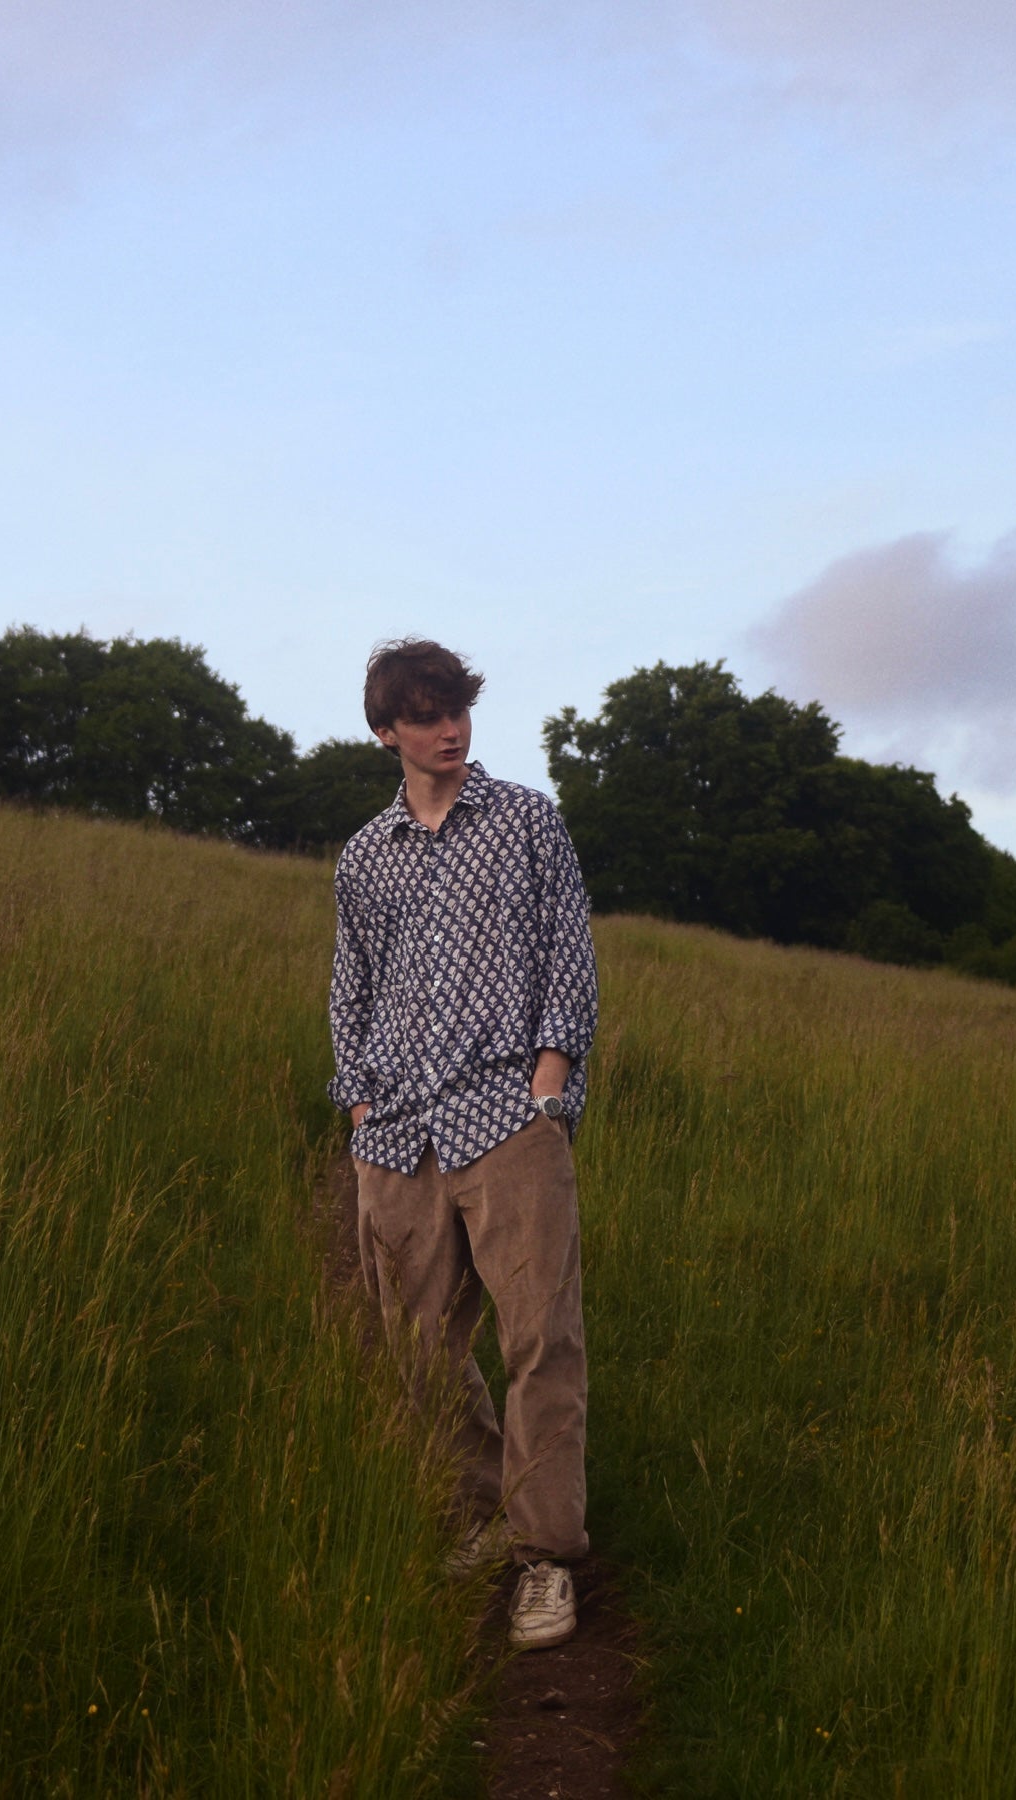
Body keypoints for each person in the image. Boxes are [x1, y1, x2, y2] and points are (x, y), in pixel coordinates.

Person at [327, 638, 598, 1651]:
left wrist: (549, 1087)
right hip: (396, 1135)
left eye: (459, 711)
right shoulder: (365, 856)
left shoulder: (527, 821)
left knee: (541, 1342)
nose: (451, 731)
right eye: (429, 716)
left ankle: (545, 1560)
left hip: (506, 1122)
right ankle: (491, 1508)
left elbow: (569, 951)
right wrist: (359, 1107)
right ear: (388, 730)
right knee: (420, 1353)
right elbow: (349, 984)